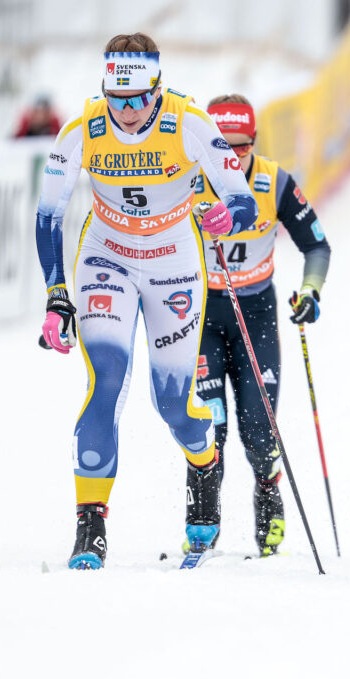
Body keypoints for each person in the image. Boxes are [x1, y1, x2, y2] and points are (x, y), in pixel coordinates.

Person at [36, 33, 257, 569]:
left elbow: (242, 200)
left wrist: (228, 217)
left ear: (158, 88)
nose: (128, 113)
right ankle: (90, 524)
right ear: (104, 91)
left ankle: (204, 466)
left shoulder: (188, 121)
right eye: (118, 100)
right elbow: (49, 215)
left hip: (173, 261)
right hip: (106, 253)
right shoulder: (81, 131)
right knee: (106, 376)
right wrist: (56, 295)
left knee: (173, 405)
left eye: (139, 100)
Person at [183, 94, 330, 556]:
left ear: (255, 143)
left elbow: (317, 246)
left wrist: (310, 291)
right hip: (202, 313)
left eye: (242, 146)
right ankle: (202, 524)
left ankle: (269, 507)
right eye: (222, 146)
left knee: (258, 426)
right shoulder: (186, 176)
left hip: (257, 312)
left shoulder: (274, 180)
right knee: (209, 425)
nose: (232, 156)